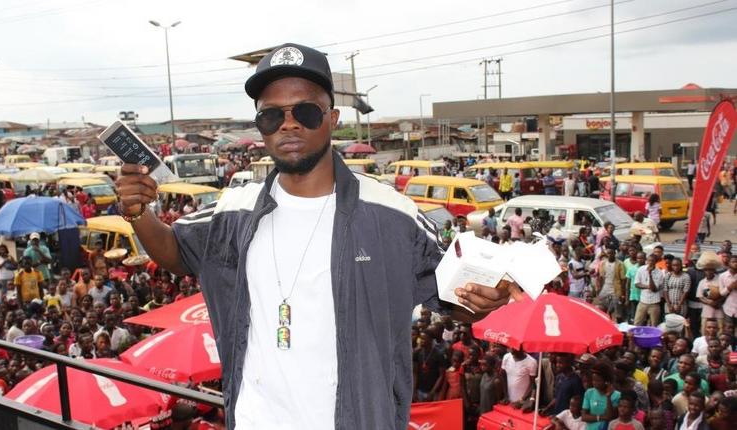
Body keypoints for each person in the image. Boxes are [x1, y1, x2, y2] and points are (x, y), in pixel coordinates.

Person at [113, 42, 514, 430]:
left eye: (305, 110)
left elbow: (452, 295)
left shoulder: (391, 215)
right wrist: (138, 213)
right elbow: (175, 251)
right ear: (261, 128)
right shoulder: (234, 209)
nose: (288, 123)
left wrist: (483, 302)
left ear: (333, 118)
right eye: (271, 115)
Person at [634, 254, 665, 327]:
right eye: (649, 260)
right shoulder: (641, 269)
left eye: (652, 261)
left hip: (654, 304)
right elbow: (637, 284)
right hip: (643, 302)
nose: (650, 262)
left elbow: (654, 289)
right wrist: (648, 286)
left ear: (656, 262)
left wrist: (650, 275)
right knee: (637, 323)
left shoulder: (659, 273)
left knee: (654, 325)